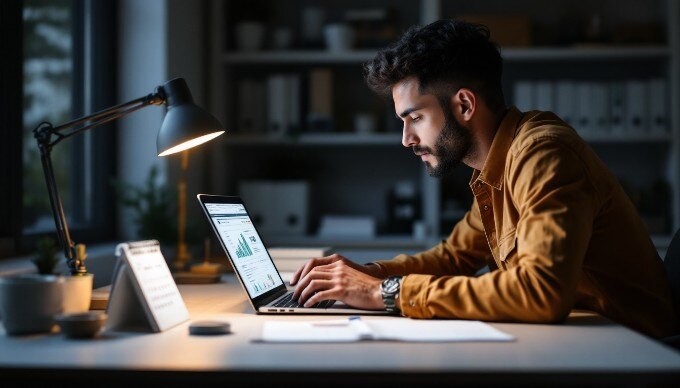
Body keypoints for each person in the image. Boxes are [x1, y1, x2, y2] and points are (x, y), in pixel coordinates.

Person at [290, 19, 676, 338]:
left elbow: (539, 293)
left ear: (464, 105)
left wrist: (385, 293)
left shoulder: (544, 154)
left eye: (414, 118)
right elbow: (453, 257)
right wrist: (366, 275)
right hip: (581, 344)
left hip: (634, 355)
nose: (406, 139)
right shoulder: (495, 166)